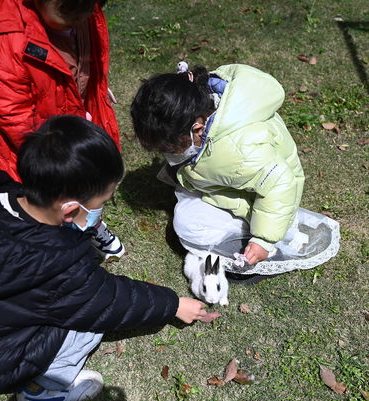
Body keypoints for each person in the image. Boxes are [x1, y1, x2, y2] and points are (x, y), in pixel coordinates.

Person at [0, 115, 218, 401]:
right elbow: (110, 300)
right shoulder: (53, 265)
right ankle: (42, 392)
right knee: (88, 323)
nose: (101, 209)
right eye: (102, 202)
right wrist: (173, 304)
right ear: (71, 209)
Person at [0, 0, 124, 259]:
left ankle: (85, 225)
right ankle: (55, 242)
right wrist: (61, 155)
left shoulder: (80, 16)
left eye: (91, 7)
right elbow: (15, 118)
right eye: (71, 10)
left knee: (86, 187)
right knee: (43, 202)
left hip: (68, 123)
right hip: (33, 145)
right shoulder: (3, 43)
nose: (82, 17)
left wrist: (92, 83)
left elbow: (83, 61)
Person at [130, 63, 339, 280]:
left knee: (187, 223)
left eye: (170, 149)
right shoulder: (199, 105)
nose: (167, 154)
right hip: (235, 176)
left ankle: (263, 239)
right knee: (187, 206)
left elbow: (281, 184)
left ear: (198, 129)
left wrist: (263, 240)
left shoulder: (240, 152)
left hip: (267, 195)